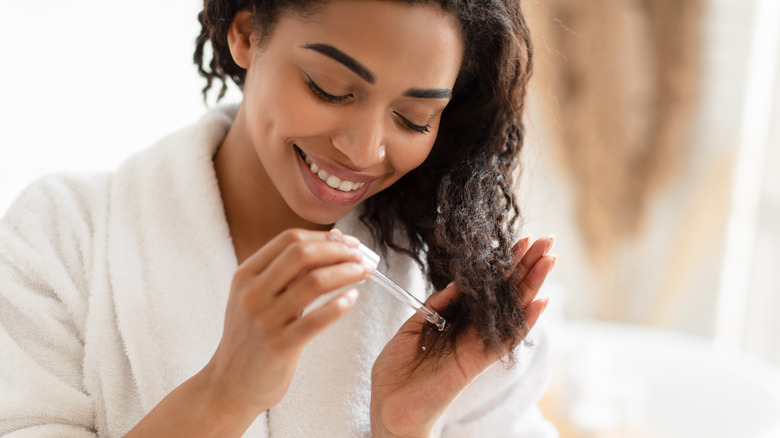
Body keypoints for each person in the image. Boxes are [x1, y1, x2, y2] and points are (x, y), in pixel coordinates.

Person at [0, 0, 559, 436]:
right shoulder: (62, 235)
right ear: (246, 32)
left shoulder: (458, 289)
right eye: (329, 89)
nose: (364, 151)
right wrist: (223, 395)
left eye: (413, 118)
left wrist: (404, 429)